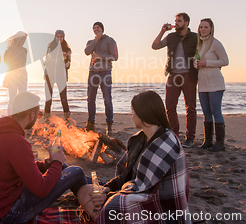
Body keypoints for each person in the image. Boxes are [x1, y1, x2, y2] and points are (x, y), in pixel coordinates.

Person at [0, 91, 98, 223]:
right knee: (76, 171)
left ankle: (98, 189)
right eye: (38, 114)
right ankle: (96, 200)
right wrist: (56, 162)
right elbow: (41, 189)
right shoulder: (16, 142)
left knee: (63, 167)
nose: (38, 118)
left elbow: (22, 168)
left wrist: (48, 164)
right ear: (31, 115)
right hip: (9, 214)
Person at [93, 91, 190, 224]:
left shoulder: (166, 144)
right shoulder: (139, 139)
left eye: (133, 111)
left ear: (143, 114)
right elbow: (129, 174)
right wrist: (109, 187)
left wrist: (110, 197)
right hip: (139, 190)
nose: (132, 115)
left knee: (113, 206)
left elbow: (144, 187)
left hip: (162, 207)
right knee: (90, 191)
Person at [152, 12, 198, 148]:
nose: (176, 23)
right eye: (175, 20)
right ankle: (174, 136)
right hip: (173, 75)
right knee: (170, 107)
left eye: (179, 21)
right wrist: (162, 31)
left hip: (189, 75)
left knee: (191, 108)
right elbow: (155, 46)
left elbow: (202, 51)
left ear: (186, 23)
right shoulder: (171, 36)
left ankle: (190, 138)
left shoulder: (195, 37)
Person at [193, 18, 229, 152]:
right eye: (201, 27)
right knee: (206, 113)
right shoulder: (199, 45)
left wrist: (206, 63)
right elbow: (197, 60)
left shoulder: (215, 43)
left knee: (216, 112)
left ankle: (220, 143)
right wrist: (195, 63)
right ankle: (207, 141)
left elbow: (225, 61)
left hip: (215, 84)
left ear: (211, 29)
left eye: (205, 27)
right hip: (203, 84)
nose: (202, 29)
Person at [84, 22, 118, 135]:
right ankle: (90, 123)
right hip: (93, 73)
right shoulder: (91, 42)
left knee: (107, 100)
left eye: (98, 27)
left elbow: (115, 57)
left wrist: (100, 57)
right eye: (94, 28)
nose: (96, 29)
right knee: (90, 99)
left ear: (102, 29)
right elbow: (87, 52)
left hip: (105, 73)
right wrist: (96, 40)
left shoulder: (110, 40)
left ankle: (109, 125)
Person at [43, 30, 72, 123]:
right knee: (48, 98)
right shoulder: (50, 47)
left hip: (61, 76)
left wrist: (65, 60)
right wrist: (49, 59)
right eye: (57, 36)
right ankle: (46, 119)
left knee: (64, 99)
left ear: (64, 38)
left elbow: (68, 65)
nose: (59, 38)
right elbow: (46, 62)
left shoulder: (67, 50)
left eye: (61, 37)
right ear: (55, 37)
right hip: (49, 75)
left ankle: (67, 120)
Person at [3, 31, 28, 116]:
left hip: (23, 76)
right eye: (22, 39)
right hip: (12, 76)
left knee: (23, 97)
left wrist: (24, 74)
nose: (23, 41)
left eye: (24, 39)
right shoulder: (9, 51)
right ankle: (11, 117)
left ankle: (21, 117)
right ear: (17, 39)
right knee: (12, 98)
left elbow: (24, 64)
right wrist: (7, 77)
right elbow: (6, 65)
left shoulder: (25, 50)